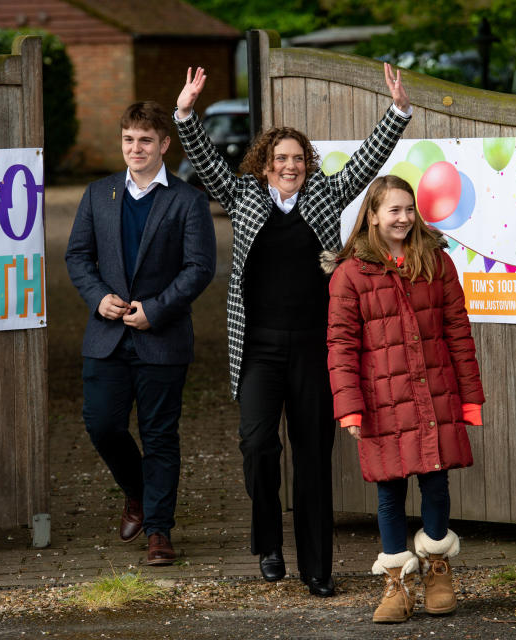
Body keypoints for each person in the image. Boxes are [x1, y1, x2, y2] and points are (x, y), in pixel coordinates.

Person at [174, 64, 411, 597]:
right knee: (258, 446)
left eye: (297, 159)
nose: (289, 166)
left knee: (311, 457)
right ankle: (270, 545)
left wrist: (396, 113)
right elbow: (208, 163)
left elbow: (366, 162)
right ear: (265, 163)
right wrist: (185, 113)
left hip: (312, 349)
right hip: (257, 348)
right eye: (280, 158)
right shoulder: (244, 197)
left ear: (307, 165)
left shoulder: (326, 195)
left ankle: (317, 568)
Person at [324, 175, 484, 623]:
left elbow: (458, 333)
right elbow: (340, 344)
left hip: (434, 397)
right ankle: (395, 582)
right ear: (372, 216)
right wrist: (349, 405)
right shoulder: (350, 274)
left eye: (409, 209)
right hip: (381, 402)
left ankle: (437, 569)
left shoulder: (436, 263)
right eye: (393, 210)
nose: (404, 218)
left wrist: (470, 398)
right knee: (389, 493)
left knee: (436, 484)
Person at [65, 101, 216, 566]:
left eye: (146, 140)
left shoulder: (187, 200)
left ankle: (158, 532)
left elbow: (200, 268)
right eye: (129, 139)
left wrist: (157, 309)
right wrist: (97, 297)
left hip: (161, 337)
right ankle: (136, 491)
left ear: (164, 145)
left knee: (160, 436)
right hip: (106, 334)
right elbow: (77, 256)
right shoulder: (98, 194)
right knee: (102, 424)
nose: (136, 148)